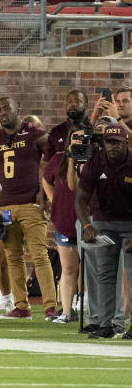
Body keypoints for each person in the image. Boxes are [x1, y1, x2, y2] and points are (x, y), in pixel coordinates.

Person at [0, 97, 57, 320]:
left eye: (7, 107)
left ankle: (50, 307)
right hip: (6, 205)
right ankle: (21, 306)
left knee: (39, 255)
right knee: (13, 257)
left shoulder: (33, 132)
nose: (3, 112)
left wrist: (44, 190)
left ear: (18, 109)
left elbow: (54, 156)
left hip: (30, 204)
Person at [75, 124, 132, 338]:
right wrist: (87, 225)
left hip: (130, 223)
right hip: (104, 222)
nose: (113, 146)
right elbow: (80, 198)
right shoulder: (96, 162)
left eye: (117, 142)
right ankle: (106, 325)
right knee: (105, 274)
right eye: (109, 142)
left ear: (126, 142)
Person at [42, 126, 83, 323]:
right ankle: (67, 312)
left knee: (91, 270)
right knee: (68, 269)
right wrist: (54, 200)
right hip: (65, 219)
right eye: (76, 138)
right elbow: (45, 180)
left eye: (83, 138)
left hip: (88, 221)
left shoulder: (95, 159)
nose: (79, 142)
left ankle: (91, 309)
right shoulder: (59, 158)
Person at [46, 90, 89, 161]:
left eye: (77, 101)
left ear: (86, 105)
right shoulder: (56, 131)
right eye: (69, 102)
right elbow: (48, 161)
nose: (73, 104)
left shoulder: (93, 129)